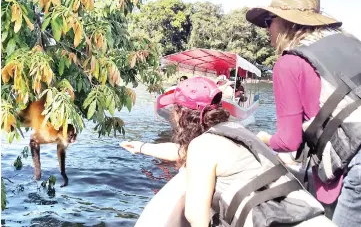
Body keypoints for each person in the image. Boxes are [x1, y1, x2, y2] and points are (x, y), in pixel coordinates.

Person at [121, 76, 335, 227]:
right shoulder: (237, 131)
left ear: (181, 114)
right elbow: (182, 152)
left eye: (174, 110)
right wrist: (141, 147)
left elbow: (197, 217)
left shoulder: (202, 146)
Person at [245, 0, 361, 226]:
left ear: (286, 23)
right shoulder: (352, 43)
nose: (267, 29)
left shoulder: (289, 63)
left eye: (269, 21)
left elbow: (289, 141)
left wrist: (263, 138)